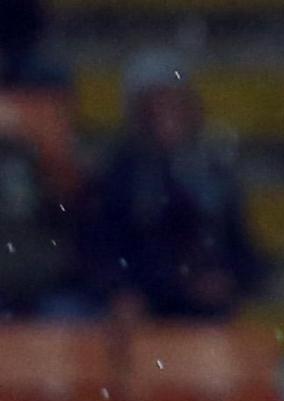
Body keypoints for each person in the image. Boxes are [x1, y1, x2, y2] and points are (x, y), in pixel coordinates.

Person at [87, 54, 264, 320]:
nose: (168, 116)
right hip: (144, 303)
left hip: (200, 307)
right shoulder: (119, 174)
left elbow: (240, 247)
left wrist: (227, 278)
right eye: (157, 105)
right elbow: (103, 245)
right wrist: (120, 289)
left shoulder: (213, 173)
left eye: (175, 104)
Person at [0, 97, 75, 315]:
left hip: (44, 286)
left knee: (68, 312)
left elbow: (69, 220)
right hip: (24, 277)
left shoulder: (48, 177)